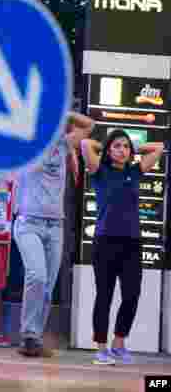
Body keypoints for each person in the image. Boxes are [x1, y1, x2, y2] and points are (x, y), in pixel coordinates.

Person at [13, 112, 94, 358]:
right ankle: (28, 334)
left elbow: (89, 125)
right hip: (28, 223)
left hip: (55, 225)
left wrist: (63, 111)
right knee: (37, 276)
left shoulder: (63, 144)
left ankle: (33, 340)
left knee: (48, 286)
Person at [81, 129, 163, 365]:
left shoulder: (134, 171)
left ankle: (118, 344)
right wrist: (108, 145)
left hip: (132, 243)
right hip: (105, 242)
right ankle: (101, 349)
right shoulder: (99, 170)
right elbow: (85, 144)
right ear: (108, 150)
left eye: (126, 146)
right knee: (104, 296)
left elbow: (158, 148)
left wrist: (133, 148)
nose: (122, 150)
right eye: (117, 146)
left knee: (132, 295)